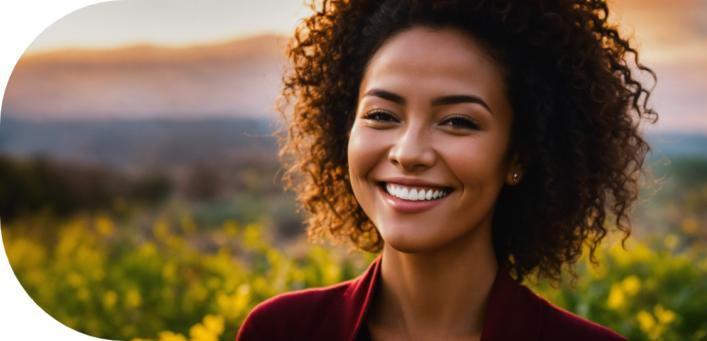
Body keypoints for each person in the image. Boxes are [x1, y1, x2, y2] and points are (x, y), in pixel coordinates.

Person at [237, 0, 657, 340]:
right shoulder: (280, 331)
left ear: (519, 157)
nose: (408, 152)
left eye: (458, 121)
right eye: (382, 115)